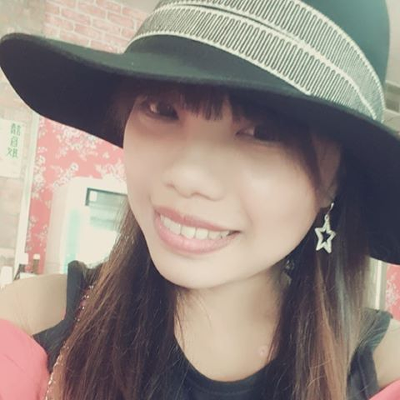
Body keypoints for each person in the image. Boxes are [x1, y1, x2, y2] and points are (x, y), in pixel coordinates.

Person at [0, 0, 400, 399]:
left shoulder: (383, 372)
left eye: (262, 132)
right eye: (162, 109)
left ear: (334, 179)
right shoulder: (31, 323)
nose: (187, 176)